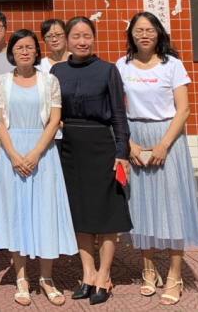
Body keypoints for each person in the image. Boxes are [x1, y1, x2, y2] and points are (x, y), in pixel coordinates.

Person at [116, 12, 198, 306]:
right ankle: (148, 270)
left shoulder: (172, 65)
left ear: (159, 34)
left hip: (168, 138)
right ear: (131, 34)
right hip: (135, 137)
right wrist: (128, 145)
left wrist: (164, 145)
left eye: (150, 30)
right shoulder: (122, 65)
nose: (144, 35)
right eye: (139, 30)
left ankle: (175, 274)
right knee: (141, 205)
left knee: (172, 205)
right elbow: (116, 109)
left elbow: (183, 109)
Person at [0, 29, 76, 307]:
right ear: (11, 53)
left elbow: (54, 120)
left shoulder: (49, 80)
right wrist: (14, 155)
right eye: (19, 48)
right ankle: (21, 277)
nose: (25, 51)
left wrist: (36, 153)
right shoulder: (0, 81)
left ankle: (46, 277)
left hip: (43, 152)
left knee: (45, 212)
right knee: (17, 212)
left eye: (29, 47)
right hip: (12, 153)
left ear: (37, 51)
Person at [50, 17, 131, 306]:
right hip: (69, 147)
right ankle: (88, 273)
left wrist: (122, 152)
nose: (82, 41)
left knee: (106, 213)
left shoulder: (108, 70)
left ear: (94, 38)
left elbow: (119, 114)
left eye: (87, 36)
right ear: (67, 40)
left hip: (102, 146)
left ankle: (104, 275)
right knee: (80, 213)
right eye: (76, 36)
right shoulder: (57, 71)